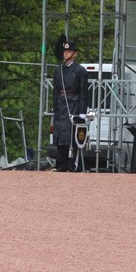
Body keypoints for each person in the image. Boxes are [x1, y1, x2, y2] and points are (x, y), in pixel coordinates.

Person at [51, 39, 89, 172]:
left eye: (69, 51)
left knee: (72, 135)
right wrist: (55, 107)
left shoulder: (80, 71)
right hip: (61, 103)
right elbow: (55, 90)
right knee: (60, 135)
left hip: (74, 103)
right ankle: (61, 163)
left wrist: (82, 111)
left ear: (74, 54)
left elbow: (83, 92)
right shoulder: (58, 70)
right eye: (65, 51)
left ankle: (72, 164)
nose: (66, 53)